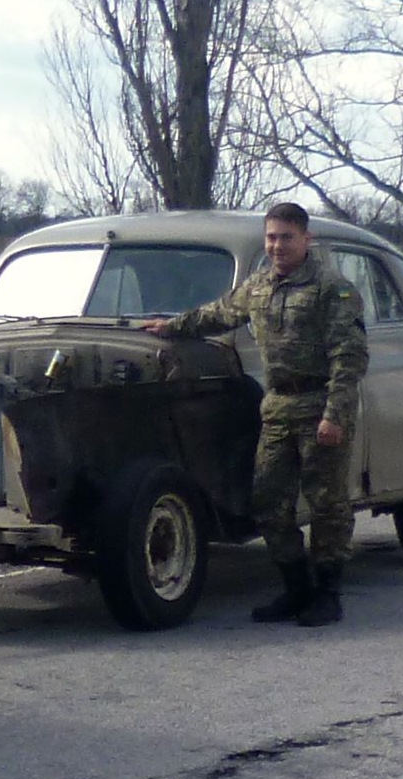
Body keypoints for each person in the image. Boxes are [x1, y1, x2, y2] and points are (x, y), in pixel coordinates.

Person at [141, 203, 368, 626]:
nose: (277, 246)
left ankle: (328, 593)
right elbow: (218, 313)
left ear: (306, 239)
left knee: (327, 504)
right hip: (278, 405)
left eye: (286, 237)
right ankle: (296, 589)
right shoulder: (259, 285)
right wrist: (170, 327)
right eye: (271, 237)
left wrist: (335, 415)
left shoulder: (331, 290)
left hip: (321, 404)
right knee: (267, 502)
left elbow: (349, 356)